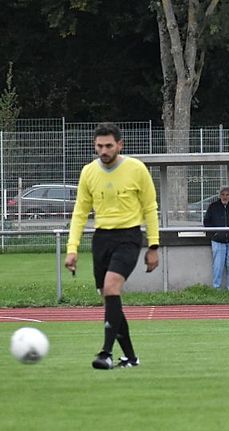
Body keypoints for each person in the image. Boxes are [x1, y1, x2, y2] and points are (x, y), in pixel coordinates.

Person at [65, 122, 160, 370]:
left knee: (111, 287)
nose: (104, 151)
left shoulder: (136, 169)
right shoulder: (88, 172)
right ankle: (130, 357)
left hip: (129, 236)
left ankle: (105, 353)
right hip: (101, 239)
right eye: (99, 146)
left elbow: (150, 208)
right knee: (110, 299)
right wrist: (72, 249)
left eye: (108, 146)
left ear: (120, 145)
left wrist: (154, 246)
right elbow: (80, 212)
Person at [202, 185, 229, 290]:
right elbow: (206, 222)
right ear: (219, 195)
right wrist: (214, 234)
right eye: (223, 194)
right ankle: (216, 288)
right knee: (218, 265)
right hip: (218, 240)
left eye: (227, 195)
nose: (225, 197)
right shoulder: (213, 207)